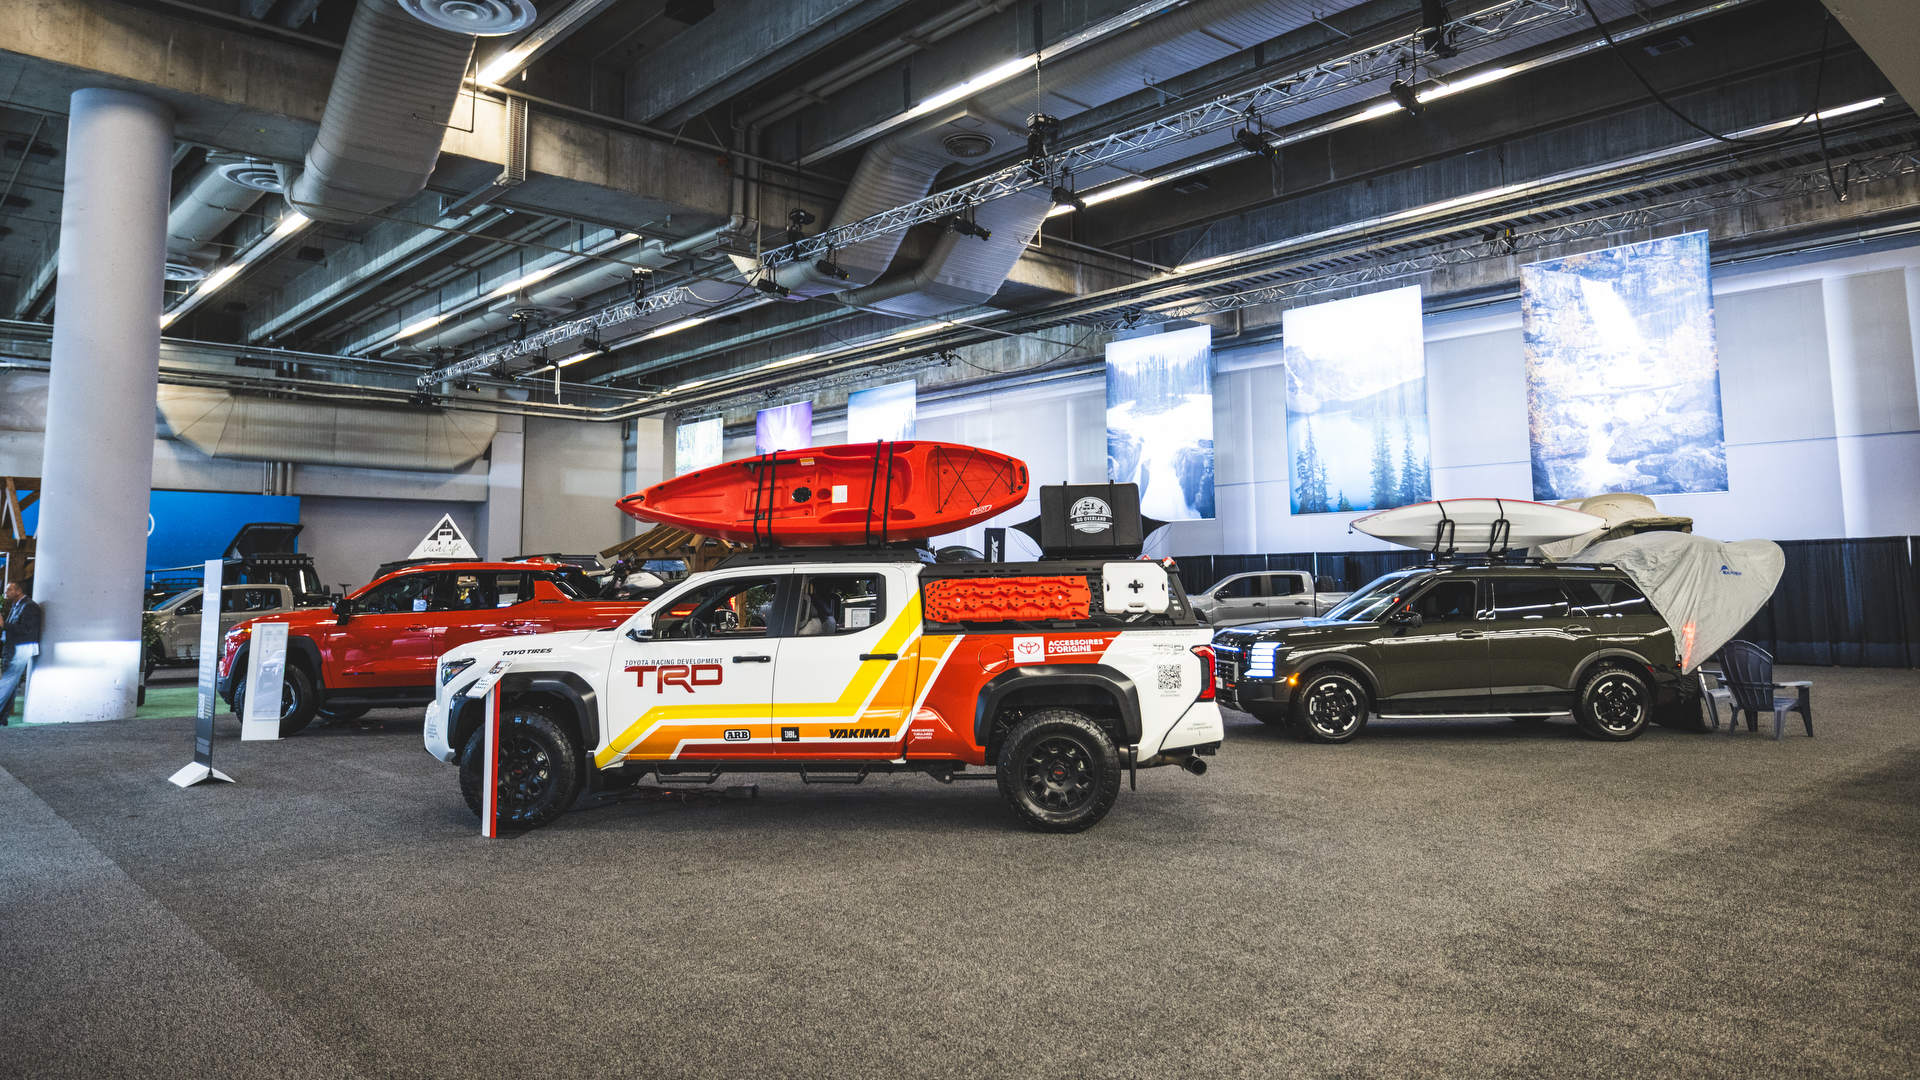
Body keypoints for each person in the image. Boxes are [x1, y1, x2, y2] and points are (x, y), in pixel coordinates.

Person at [0, 579, 42, 724]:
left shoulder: (29, 607)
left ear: (18, 591)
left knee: (8, 682)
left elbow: (26, 630)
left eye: (9, 590)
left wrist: (4, 625)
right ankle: (2, 717)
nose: (6, 592)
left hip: (20, 648)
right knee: (9, 683)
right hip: (13, 648)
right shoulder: (16, 605)